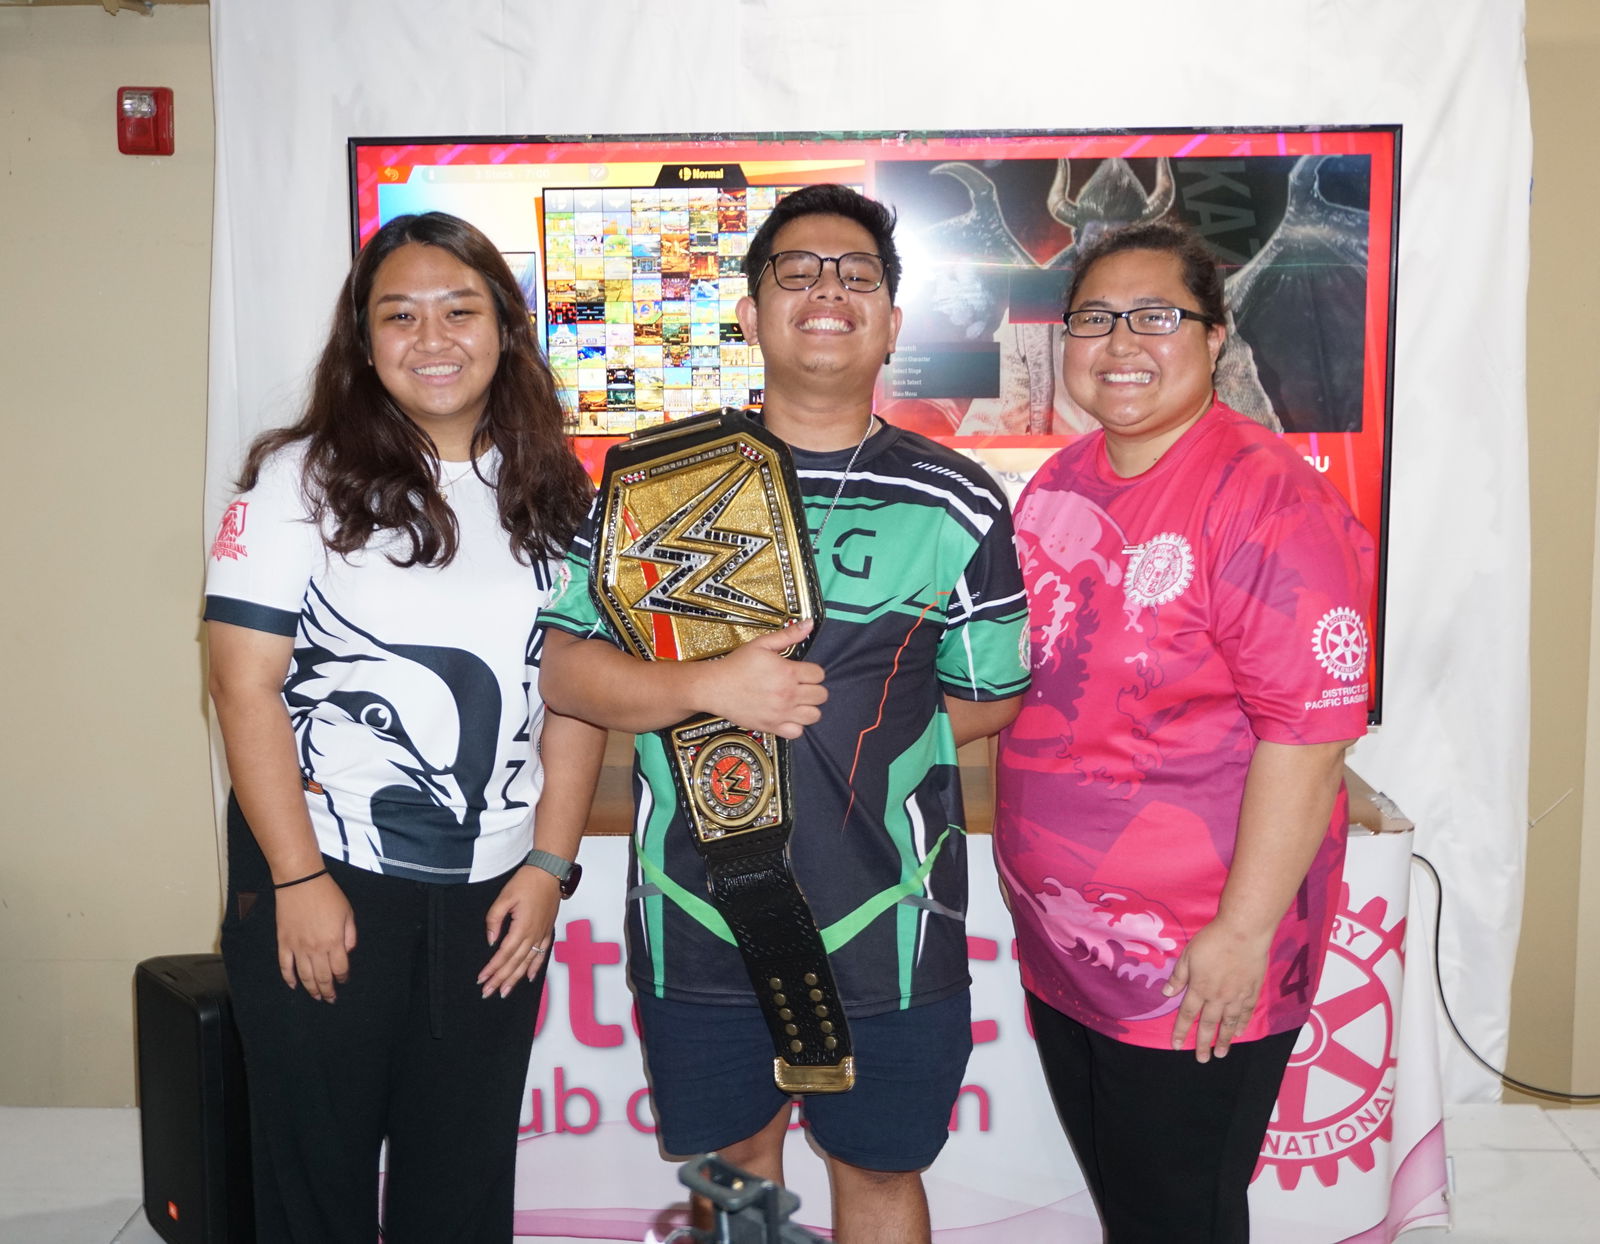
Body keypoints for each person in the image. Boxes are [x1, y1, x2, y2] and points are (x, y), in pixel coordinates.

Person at [537, 184, 1030, 1244]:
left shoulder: (957, 497)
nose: (827, 290)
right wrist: (701, 690)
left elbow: (991, 696)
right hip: (697, 917)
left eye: (856, 274)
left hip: (892, 923)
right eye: (796, 270)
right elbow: (567, 671)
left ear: (892, 322)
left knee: (881, 1172)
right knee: (733, 1176)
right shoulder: (653, 481)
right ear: (751, 312)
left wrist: (868, 725)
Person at [204, 211, 606, 1243]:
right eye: (401, 315)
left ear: (506, 329)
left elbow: (572, 694)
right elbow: (241, 684)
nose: (433, 338)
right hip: (328, 873)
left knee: (462, 1186)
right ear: (364, 338)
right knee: (313, 1182)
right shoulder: (301, 478)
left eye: (460, 310)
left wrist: (548, 866)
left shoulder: (559, 495)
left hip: (497, 888)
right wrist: (295, 879)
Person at [993, 221, 1375, 1243]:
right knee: (1134, 1210)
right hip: (1069, 943)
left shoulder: (1266, 497)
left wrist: (1242, 933)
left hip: (1193, 954)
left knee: (1179, 1219)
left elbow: (1309, 736)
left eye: (1155, 316)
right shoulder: (1060, 483)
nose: (1120, 342)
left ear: (1213, 337)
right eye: (1093, 318)